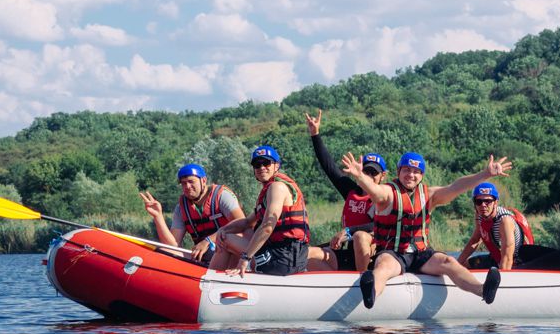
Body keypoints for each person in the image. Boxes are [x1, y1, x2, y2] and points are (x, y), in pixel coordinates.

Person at [340, 151, 511, 309]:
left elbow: (455, 187)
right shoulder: (388, 193)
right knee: (383, 266)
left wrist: (485, 174)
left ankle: (483, 291)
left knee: (448, 261)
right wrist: (360, 177)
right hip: (393, 253)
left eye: (416, 171)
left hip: (421, 255)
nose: (411, 175)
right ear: (398, 171)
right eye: (406, 170)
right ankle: (371, 295)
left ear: (421, 175)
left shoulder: (430, 195)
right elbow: (375, 190)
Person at [304, 109, 386, 271]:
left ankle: (364, 282)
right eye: (366, 172)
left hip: (372, 256)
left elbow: (378, 225)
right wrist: (315, 134)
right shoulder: (351, 190)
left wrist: (348, 231)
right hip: (346, 252)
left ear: (382, 176)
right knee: (306, 254)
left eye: (373, 173)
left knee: (360, 236)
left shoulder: (385, 197)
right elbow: (329, 167)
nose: (369, 176)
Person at [215, 145, 311, 277]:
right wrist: (223, 230)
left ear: (276, 166)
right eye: (257, 164)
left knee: (226, 240)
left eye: (266, 163)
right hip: (284, 253)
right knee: (225, 235)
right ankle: (226, 275)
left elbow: (267, 227)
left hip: (283, 257)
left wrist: (245, 258)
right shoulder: (268, 192)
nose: (261, 168)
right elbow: (248, 222)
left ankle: (212, 278)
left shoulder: (277, 187)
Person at [139, 163, 245, 265]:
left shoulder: (222, 196)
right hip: (203, 256)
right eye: (183, 183)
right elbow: (172, 245)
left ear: (203, 181)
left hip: (228, 251)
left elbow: (242, 223)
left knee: (225, 243)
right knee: (165, 251)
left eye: (191, 181)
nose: (187, 186)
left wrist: (207, 241)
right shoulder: (181, 208)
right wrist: (158, 216)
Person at [456, 182, 541, 272]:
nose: (483, 205)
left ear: (495, 202)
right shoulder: (479, 215)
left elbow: (507, 259)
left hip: (516, 262)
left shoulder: (505, 221)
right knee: (463, 265)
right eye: (478, 202)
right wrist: (455, 265)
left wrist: (501, 281)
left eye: (488, 201)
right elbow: (475, 240)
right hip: (497, 258)